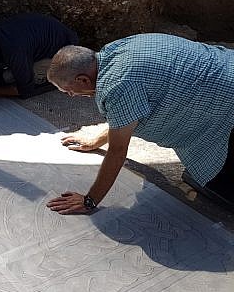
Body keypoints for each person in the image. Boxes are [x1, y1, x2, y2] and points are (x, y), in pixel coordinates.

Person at [45, 33, 234, 214]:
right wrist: (98, 140)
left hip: (227, 100)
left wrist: (89, 201)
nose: (71, 96)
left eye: (68, 90)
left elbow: (117, 152)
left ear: (83, 79)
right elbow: (128, 116)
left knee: (215, 181)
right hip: (227, 66)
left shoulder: (117, 86)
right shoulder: (115, 50)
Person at [0, 13, 79, 101]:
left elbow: (25, 90)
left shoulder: (14, 49)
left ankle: (54, 83)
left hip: (64, 52)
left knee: (9, 78)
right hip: (39, 41)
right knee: (1, 72)